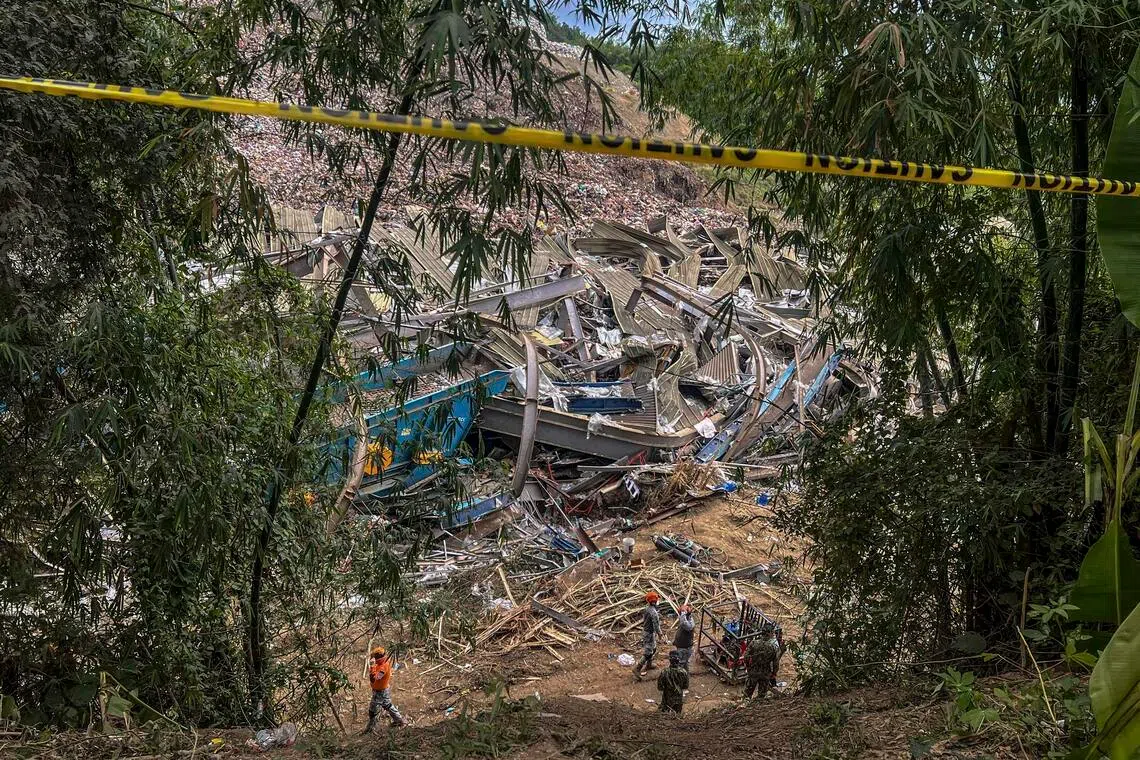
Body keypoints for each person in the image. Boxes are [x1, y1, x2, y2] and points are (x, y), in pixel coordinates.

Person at [364, 646, 407, 732]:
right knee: (387, 705)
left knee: (373, 710)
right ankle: (399, 720)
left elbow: (375, 678)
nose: (374, 659)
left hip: (380, 692)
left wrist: (372, 667)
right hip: (380, 690)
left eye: (375, 657)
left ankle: (370, 728)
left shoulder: (383, 667)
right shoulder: (381, 664)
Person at [742, 628, 781, 699]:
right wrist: (774, 673)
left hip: (753, 670)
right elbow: (775, 662)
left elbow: (746, 657)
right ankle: (756, 706)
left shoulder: (753, 643)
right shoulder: (772, 647)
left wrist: (748, 667)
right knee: (761, 695)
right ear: (769, 634)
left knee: (747, 693)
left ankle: (744, 706)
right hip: (765, 672)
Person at [632, 591, 662, 679]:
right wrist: (660, 634)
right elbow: (656, 625)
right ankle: (637, 669)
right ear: (654, 602)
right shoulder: (653, 612)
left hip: (647, 632)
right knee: (648, 652)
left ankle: (649, 664)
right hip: (649, 633)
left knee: (654, 648)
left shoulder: (647, 608)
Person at [673, 604, 695, 671]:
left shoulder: (690, 623)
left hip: (685, 647)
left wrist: (683, 613)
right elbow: (681, 619)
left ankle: (681, 678)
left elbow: (685, 624)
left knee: (681, 663)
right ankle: (685, 676)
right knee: (684, 663)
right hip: (682, 645)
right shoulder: (685, 618)